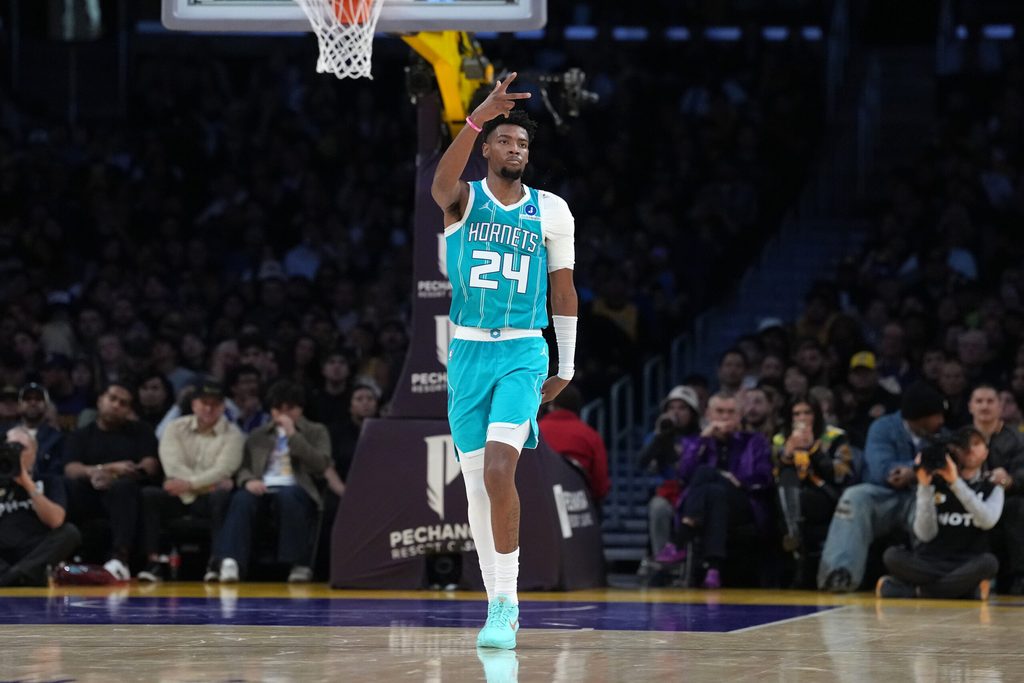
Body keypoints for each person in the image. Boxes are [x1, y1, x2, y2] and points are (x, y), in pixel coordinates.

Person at [430, 73, 576, 650]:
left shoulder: (552, 210)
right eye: (506, 141)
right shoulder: (464, 199)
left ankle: (507, 605)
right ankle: (495, 604)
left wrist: (564, 364)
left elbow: (563, 291)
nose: (516, 150)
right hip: (467, 350)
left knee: (497, 472)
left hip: (522, 348)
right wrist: (476, 116)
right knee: (474, 490)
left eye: (523, 144)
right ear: (488, 148)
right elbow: (439, 183)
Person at [817, 382, 946, 592]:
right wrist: (914, 469)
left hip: (920, 495)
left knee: (935, 504)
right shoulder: (883, 427)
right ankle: (840, 574)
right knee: (855, 497)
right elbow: (880, 471)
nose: (941, 420)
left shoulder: (942, 434)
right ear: (920, 417)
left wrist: (913, 472)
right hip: (884, 496)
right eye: (937, 415)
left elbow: (945, 469)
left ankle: (929, 577)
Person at [215, 380, 331, 583]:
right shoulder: (258, 434)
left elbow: (320, 464)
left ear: (301, 409)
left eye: (290, 409)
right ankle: (231, 561)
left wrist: (293, 435)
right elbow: (243, 467)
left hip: (298, 488)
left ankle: (298, 564)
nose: (284, 415)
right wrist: (248, 480)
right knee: (242, 498)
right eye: (279, 409)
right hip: (263, 485)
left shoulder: (316, 431)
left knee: (289, 495)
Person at [657, 393, 774, 589]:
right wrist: (703, 440)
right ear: (708, 414)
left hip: (743, 502)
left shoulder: (754, 441)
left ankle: (679, 541)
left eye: (731, 412)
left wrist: (738, 481)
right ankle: (713, 569)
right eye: (719, 411)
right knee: (713, 492)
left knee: (705, 474)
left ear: (739, 416)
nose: (725, 417)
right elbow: (684, 476)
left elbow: (765, 478)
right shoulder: (695, 441)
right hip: (707, 505)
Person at [138, 379, 243, 582]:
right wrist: (199, 485)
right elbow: (172, 465)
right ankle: (153, 563)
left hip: (206, 497)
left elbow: (223, 470)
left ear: (223, 407)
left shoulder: (234, 434)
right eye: (204, 403)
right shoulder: (174, 428)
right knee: (149, 495)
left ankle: (216, 563)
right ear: (194, 404)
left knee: (222, 496)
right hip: (178, 495)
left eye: (215, 404)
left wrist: (189, 485)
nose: (209, 408)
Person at [877, 428, 1002, 599]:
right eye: (964, 446)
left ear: (986, 452)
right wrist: (924, 486)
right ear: (954, 451)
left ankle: (916, 592)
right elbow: (925, 535)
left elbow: (987, 521)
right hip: (930, 562)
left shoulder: (993, 486)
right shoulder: (934, 483)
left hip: (967, 561)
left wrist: (956, 483)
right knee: (891, 556)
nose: (970, 450)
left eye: (976, 444)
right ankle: (964, 591)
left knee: (989, 563)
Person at [63, 381, 160, 580]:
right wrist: (102, 470)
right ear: (100, 401)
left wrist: (118, 474)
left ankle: (120, 558)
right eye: (112, 399)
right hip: (90, 493)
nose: (116, 405)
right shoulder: (81, 435)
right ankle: (66, 556)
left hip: (125, 494)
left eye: (123, 403)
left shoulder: (141, 431)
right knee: (66, 485)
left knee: (123, 487)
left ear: (129, 410)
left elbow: (150, 465)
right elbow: (71, 468)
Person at [772, 396, 855, 586]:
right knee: (787, 475)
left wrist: (814, 450)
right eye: (797, 413)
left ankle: (794, 536)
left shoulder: (835, 436)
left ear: (816, 415)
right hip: (789, 495)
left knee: (803, 499)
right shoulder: (780, 438)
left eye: (807, 412)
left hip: (825, 492)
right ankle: (794, 534)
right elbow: (772, 475)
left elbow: (842, 474)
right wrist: (786, 455)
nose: (802, 418)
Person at [0, 428, 81, 587]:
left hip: (35, 552)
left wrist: (27, 483)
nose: (16, 453)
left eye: (20, 448)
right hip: (3, 553)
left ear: (35, 453)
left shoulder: (49, 482)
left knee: (70, 532)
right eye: (10, 447)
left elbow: (56, 521)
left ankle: (13, 577)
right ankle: (20, 576)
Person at [967, 384, 1024, 594]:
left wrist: (1008, 481)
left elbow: (1021, 474)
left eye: (990, 401)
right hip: (967, 498)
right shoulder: (960, 438)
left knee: (1018, 507)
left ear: (1000, 407)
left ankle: (1019, 577)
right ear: (970, 406)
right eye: (979, 401)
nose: (984, 406)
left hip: (1006, 499)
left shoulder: (1017, 439)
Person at [638, 385, 701, 561]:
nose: (676, 413)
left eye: (682, 408)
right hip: (668, 494)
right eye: (671, 408)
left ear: (693, 412)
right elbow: (641, 462)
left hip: (693, 494)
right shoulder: (658, 436)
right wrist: (660, 436)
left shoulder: (702, 436)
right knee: (658, 507)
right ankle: (662, 560)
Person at [538, 385, 610, 503]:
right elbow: (600, 486)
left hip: (540, 505)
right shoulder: (591, 435)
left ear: (551, 405)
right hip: (580, 506)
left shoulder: (535, 432)